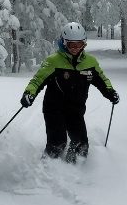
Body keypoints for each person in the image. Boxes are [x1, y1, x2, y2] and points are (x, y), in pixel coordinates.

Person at [20, 22, 119, 163]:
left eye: (79, 44)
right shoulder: (53, 61)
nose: (75, 48)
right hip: (54, 109)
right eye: (72, 45)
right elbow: (37, 81)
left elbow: (102, 80)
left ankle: (73, 171)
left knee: (81, 144)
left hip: (76, 110)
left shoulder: (90, 62)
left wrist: (110, 92)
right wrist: (29, 94)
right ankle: (46, 170)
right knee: (58, 143)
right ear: (63, 42)